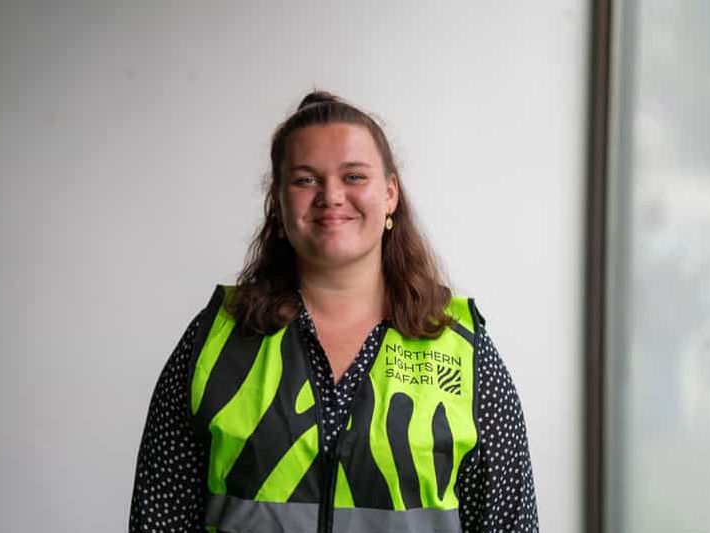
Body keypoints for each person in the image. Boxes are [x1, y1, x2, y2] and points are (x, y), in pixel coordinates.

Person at [129, 91, 538, 532]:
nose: (331, 196)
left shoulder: (463, 349)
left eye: (354, 176)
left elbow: (509, 523)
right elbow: (158, 520)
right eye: (305, 180)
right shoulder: (216, 340)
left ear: (390, 194)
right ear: (278, 201)